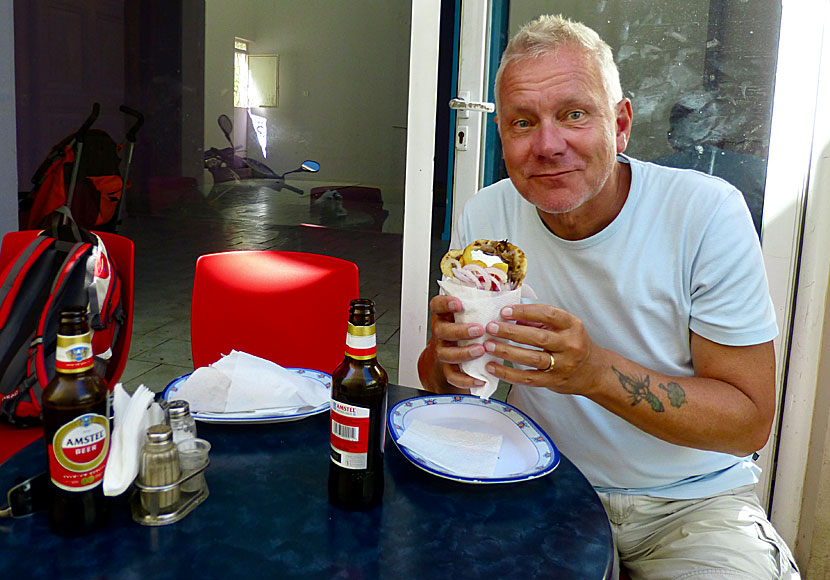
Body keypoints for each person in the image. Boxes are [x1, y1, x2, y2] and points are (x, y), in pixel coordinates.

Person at [418, 14, 799, 580]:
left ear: (620, 124)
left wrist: (594, 372)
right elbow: (443, 377)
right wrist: (452, 361)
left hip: (691, 509)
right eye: (523, 123)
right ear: (502, 137)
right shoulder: (487, 215)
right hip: (541, 487)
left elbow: (747, 422)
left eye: (573, 114)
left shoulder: (703, 213)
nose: (548, 145)